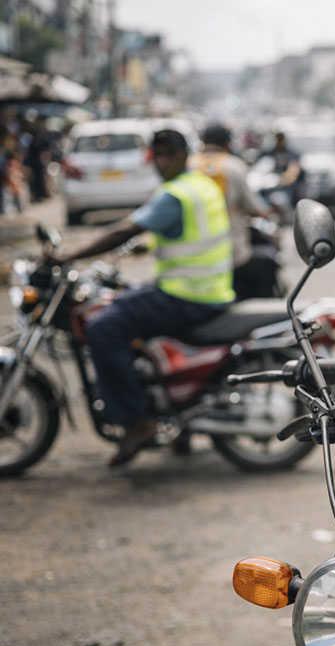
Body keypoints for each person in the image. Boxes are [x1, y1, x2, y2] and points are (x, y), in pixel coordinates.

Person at [45, 129, 234, 467]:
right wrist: (149, 244)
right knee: (122, 304)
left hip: (187, 295)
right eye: (156, 155)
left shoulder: (174, 195)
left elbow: (124, 230)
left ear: (183, 155)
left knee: (103, 328)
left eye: (167, 155)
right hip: (210, 290)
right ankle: (177, 418)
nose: (161, 162)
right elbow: (185, 232)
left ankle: (136, 421)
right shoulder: (202, 185)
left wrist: (69, 256)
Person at [190, 124, 275, 300]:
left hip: (192, 255)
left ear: (203, 142)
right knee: (268, 263)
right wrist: (267, 212)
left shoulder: (189, 165)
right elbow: (253, 208)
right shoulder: (234, 166)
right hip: (232, 254)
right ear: (227, 143)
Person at [262, 130, 303, 204]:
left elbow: (294, 169)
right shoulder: (271, 152)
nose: (279, 141)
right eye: (278, 139)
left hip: (287, 187)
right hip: (271, 185)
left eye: (281, 139)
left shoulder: (291, 153)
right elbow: (262, 164)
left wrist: (286, 179)